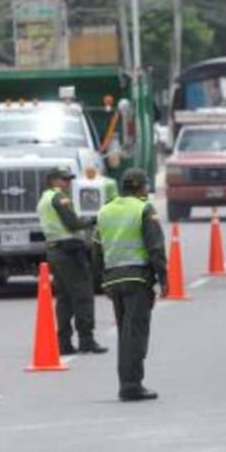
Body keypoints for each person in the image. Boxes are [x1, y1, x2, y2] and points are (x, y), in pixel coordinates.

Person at [93, 168, 169, 401]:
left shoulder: (105, 211)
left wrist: (101, 283)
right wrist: (165, 280)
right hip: (137, 280)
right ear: (142, 187)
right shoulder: (143, 209)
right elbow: (155, 248)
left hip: (114, 281)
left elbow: (96, 249)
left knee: (125, 334)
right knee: (134, 334)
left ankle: (127, 381)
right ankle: (131, 385)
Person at [37, 167, 107, 355]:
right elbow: (73, 223)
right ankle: (86, 340)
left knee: (65, 299)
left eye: (69, 180)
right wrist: (95, 219)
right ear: (53, 180)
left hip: (55, 250)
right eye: (64, 180)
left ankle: (64, 343)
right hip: (69, 252)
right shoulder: (59, 198)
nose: (68, 183)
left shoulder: (44, 199)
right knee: (83, 295)